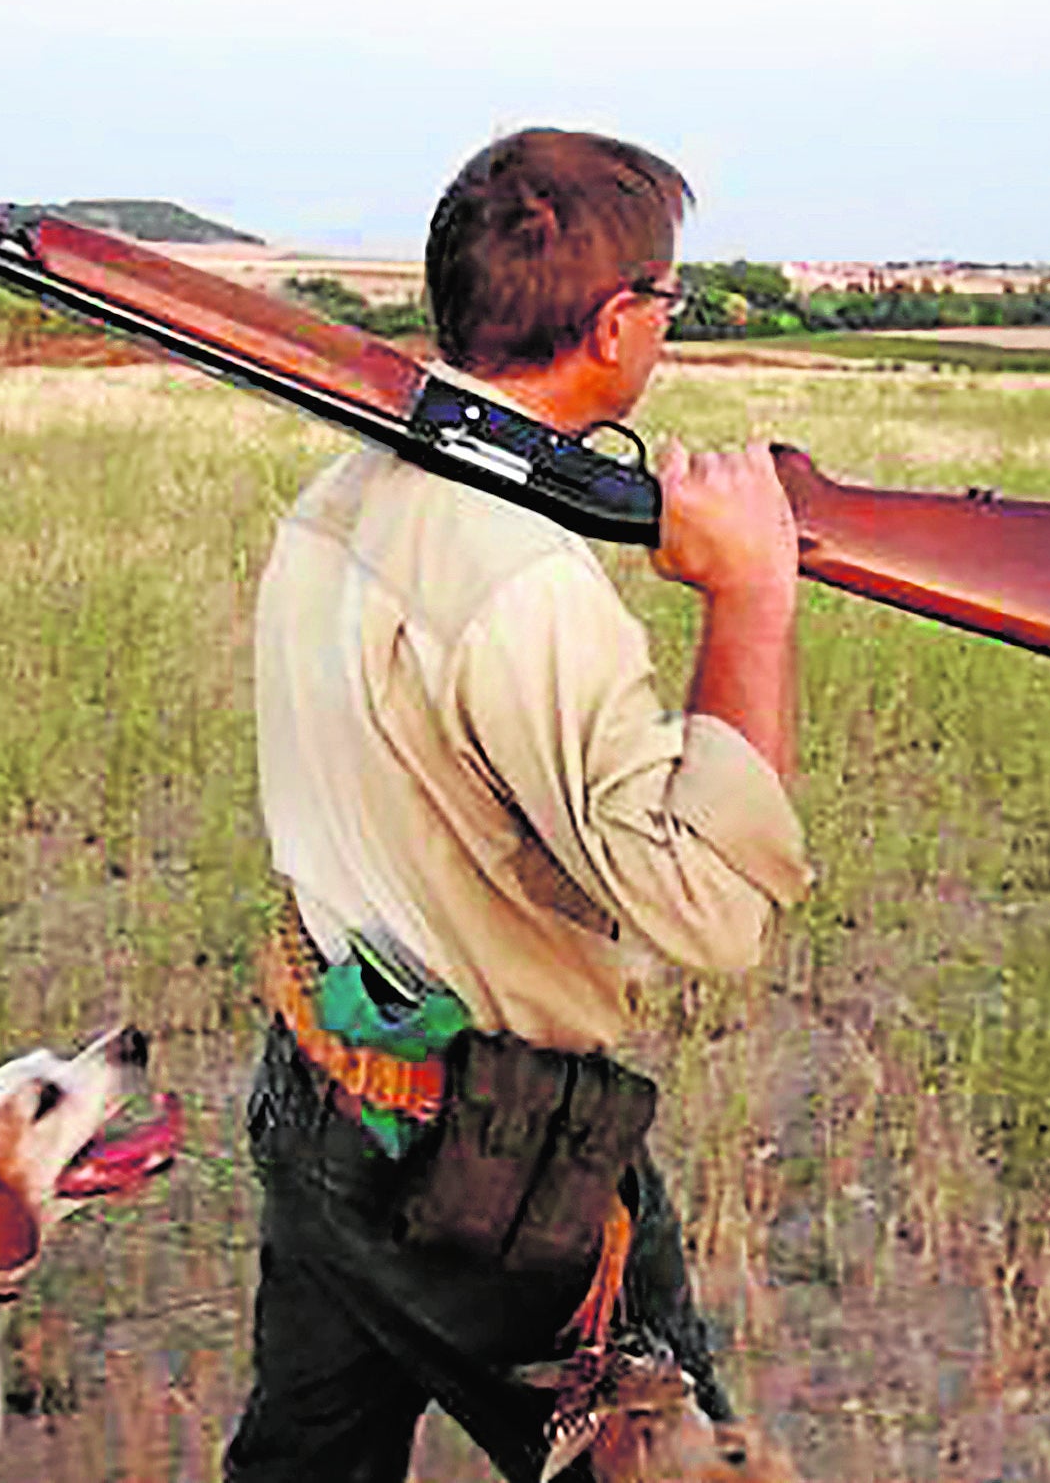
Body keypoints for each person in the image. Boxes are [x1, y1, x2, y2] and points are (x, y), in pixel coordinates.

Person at [226, 128, 809, 1483]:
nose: (664, 325)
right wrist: (754, 597)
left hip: (321, 1080)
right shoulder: (524, 580)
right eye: (666, 298)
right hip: (491, 1161)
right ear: (615, 323)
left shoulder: (344, 484)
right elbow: (712, 908)